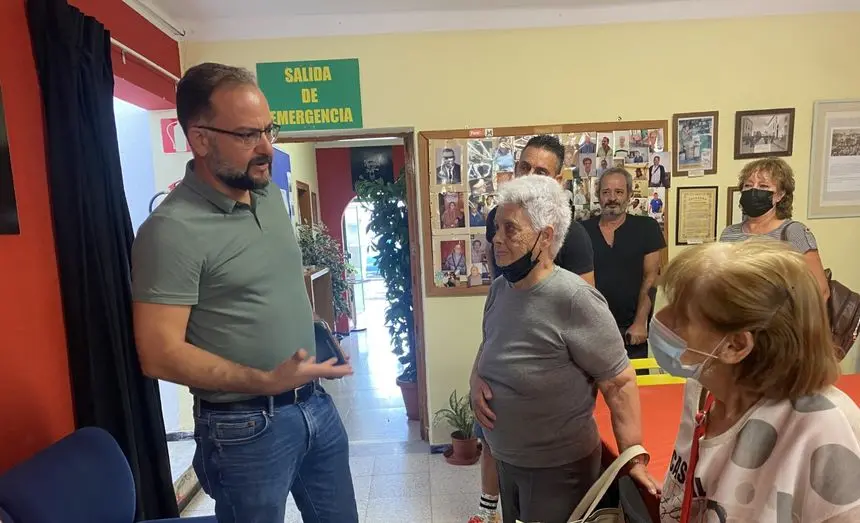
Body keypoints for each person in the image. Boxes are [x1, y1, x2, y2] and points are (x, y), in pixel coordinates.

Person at [131, 63, 356, 523]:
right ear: (199, 138)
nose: (266, 148)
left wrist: (314, 340)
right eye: (248, 135)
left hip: (315, 406)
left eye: (269, 130)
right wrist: (264, 380)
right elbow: (157, 354)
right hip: (243, 428)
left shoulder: (268, 197)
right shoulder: (170, 230)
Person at [472, 175, 658, 523]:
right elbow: (490, 343)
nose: (496, 239)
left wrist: (633, 458)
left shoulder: (575, 298)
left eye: (510, 229)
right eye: (497, 227)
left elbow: (618, 383)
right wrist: (474, 381)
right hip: (508, 460)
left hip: (557, 471)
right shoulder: (500, 289)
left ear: (545, 236)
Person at [653, 240, 860, 522]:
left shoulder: (822, 428)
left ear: (735, 346)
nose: (661, 319)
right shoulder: (703, 386)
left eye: (680, 316)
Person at [470, 135, 596, 523]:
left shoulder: (570, 234)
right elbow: (501, 304)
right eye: (524, 168)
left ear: (558, 179)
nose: (529, 176)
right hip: (505, 366)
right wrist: (479, 372)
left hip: (553, 402)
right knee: (493, 429)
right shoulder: (500, 219)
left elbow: (587, 319)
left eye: (541, 171)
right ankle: (488, 509)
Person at [582, 168, 665, 364]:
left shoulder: (647, 228)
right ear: (598, 195)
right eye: (606, 192)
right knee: (590, 393)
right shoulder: (581, 231)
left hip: (631, 331)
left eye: (619, 192)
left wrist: (640, 322)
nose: (612, 198)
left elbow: (651, 278)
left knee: (631, 391)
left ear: (629, 194)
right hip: (589, 331)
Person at [719, 157, 829, 301]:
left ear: (780, 195)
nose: (754, 190)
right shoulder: (729, 234)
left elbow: (821, 291)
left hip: (780, 320)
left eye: (763, 186)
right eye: (748, 185)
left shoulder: (794, 232)